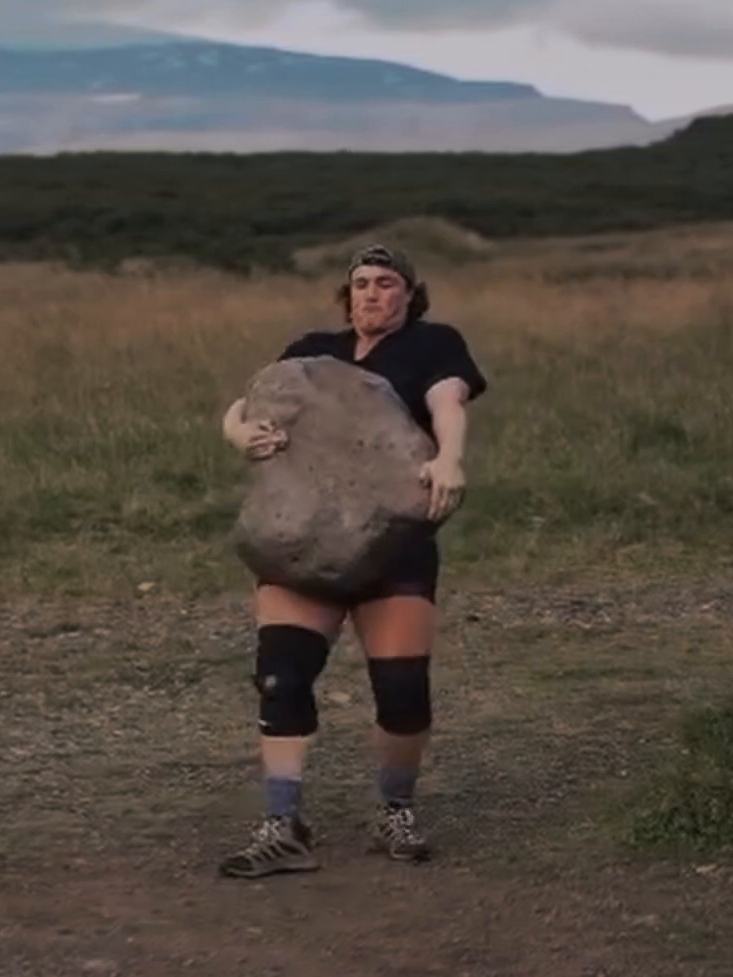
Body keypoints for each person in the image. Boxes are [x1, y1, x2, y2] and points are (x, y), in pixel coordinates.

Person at [214, 244, 489, 879]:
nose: (371, 293)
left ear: (409, 294)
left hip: (392, 546)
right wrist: (238, 433)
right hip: (301, 541)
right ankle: (282, 825)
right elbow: (247, 404)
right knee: (280, 679)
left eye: (387, 283)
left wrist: (449, 458)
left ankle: (395, 811)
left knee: (401, 691)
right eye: (361, 283)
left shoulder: (432, 345)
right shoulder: (313, 351)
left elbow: (449, 403)